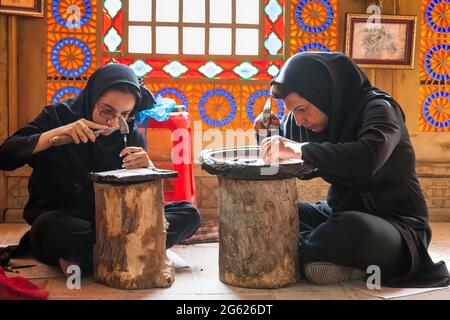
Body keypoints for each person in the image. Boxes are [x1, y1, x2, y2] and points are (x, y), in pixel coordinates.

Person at [254, 52, 450, 287]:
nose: (298, 120)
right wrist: (268, 134)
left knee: (350, 228)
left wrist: (299, 150)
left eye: (302, 109)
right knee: (282, 214)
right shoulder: (314, 118)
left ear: (324, 93)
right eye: (293, 111)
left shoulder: (379, 108)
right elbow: (287, 157)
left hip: (397, 227)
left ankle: (315, 253)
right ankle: (324, 255)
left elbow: (368, 157)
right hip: (340, 211)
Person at [0, 64, 201, 274]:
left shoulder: (128, 131)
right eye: (106, 111)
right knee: (49, 231)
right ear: (91, 97)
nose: (114, 122)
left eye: (125, 114)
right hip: (69, 219)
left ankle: (90, 258)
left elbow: (148, 199)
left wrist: (149, 168)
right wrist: (56, 134)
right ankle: (140, 248)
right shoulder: (58, 116)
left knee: (189, 214)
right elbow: (5, 156)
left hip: (118, 218)